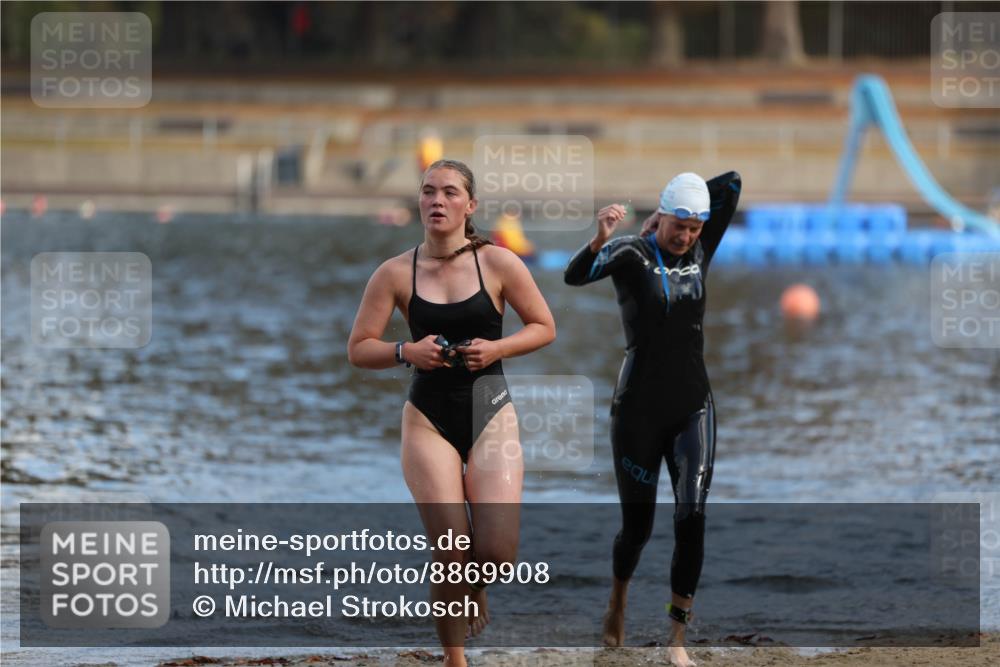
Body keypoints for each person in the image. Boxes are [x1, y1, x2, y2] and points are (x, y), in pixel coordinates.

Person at [347, 158, 556, 667]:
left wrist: (497, 349)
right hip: (428, 418)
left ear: (470, 205)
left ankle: (475, 588)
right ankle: (454, 659)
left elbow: (544, 326)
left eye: (449, 192)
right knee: (449, 550)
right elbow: (359, 348)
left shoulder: (499, 263)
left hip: (490, 410)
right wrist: (406, 351)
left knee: (497, 556)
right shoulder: (394, 273)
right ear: (419, 200)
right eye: (428, 191)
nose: (437, 200)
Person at [564, 171, 741, 667]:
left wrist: (689, 201)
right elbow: (575, 276)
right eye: (678, 225)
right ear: (660, 216)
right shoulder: (631, 253)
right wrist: (600, 237)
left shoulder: (702, 250)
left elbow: (732, 184)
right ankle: (618, 601)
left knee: (692, 516)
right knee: (636, 529)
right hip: (637, 411)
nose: (685, 236)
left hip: (693, 407)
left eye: (694, 227)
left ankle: (676, 639)